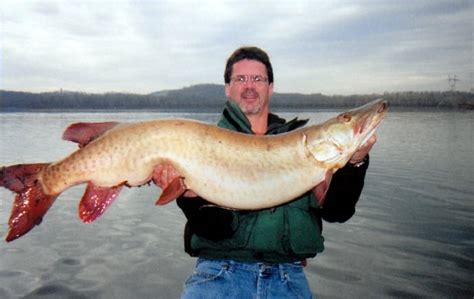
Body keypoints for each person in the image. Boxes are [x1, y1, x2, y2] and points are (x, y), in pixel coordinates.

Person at [154, 46, 375, 298]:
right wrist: (184, 194)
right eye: (240, 78)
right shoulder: (198, 145)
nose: (249, 86)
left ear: (270, 87)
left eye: (258, 79)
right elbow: (216, 229)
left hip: (287, 279)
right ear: (228, 87)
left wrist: (356, 162)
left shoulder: (307, 147)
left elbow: (338, 212)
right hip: (218, 275)